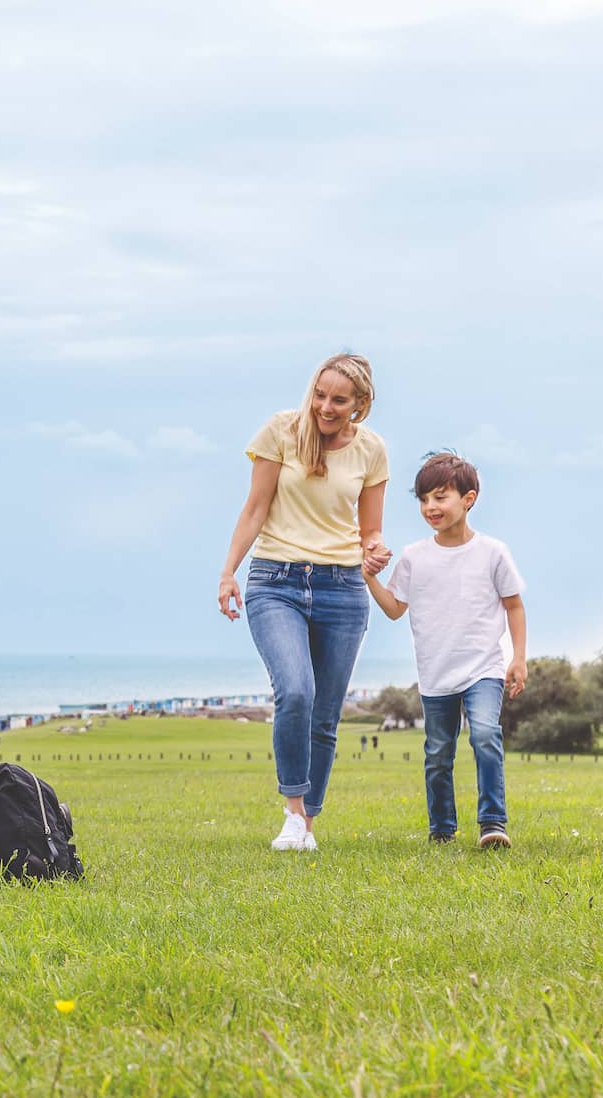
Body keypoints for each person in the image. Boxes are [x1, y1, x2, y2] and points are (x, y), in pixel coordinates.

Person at [217, 353, 390, 853]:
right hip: (276, 580)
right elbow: (255, 508)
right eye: (320, 395)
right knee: (295, 690)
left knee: (326, 713)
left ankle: (307, 825)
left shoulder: (372, 450)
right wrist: (229, 572)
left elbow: (370, 529)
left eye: (339, 400)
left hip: (343, 589)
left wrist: (374, 549)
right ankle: (293, 812)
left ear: (360, 404)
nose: (325, 407)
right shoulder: (281, 431)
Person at [363, 453, 527, 848]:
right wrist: (370, 579)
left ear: (468, 498)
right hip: (435, 675)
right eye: (423, 500)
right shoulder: (415, 557)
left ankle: (492, 824)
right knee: (438, 753)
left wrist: (518, 658)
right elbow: (394, 609)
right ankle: (442, 831)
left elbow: (514, 605)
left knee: (485, 734)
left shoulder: (493, 552)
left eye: (440, 497)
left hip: (483, 669)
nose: (430, 508)